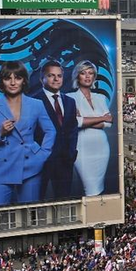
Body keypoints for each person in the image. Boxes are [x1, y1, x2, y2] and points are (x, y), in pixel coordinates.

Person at [0, 63, 55, 206]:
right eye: (8, 78)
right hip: (0, 166)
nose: (13, 83)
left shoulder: (36, 104)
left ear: (24, 80)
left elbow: (50, 130)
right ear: (1, 81)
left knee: (29, 216)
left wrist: (42, 154)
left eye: (18, 78)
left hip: (30, 165)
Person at [37, 62, 79, 200]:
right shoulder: (33, 101)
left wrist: (71, 153)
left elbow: (73, 130)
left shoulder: (70, 101)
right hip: (42, 161)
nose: (56, 79)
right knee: (37, 198)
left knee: (63, 200)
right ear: (41, 78)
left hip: (65, 160)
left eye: (59, 76)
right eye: (51, 76)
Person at [72, 60, 113, 196]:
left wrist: (86, 120)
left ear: (94, 77)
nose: (87, 76)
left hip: (101, 148)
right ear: (77, 76)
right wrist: (102, 118)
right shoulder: (70, 98)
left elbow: (109, 123)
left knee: (99, 187)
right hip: (82, 148)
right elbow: (76, 122)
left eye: (90, 73)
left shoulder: (100, 98)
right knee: (90, 188)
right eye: (83, 73)